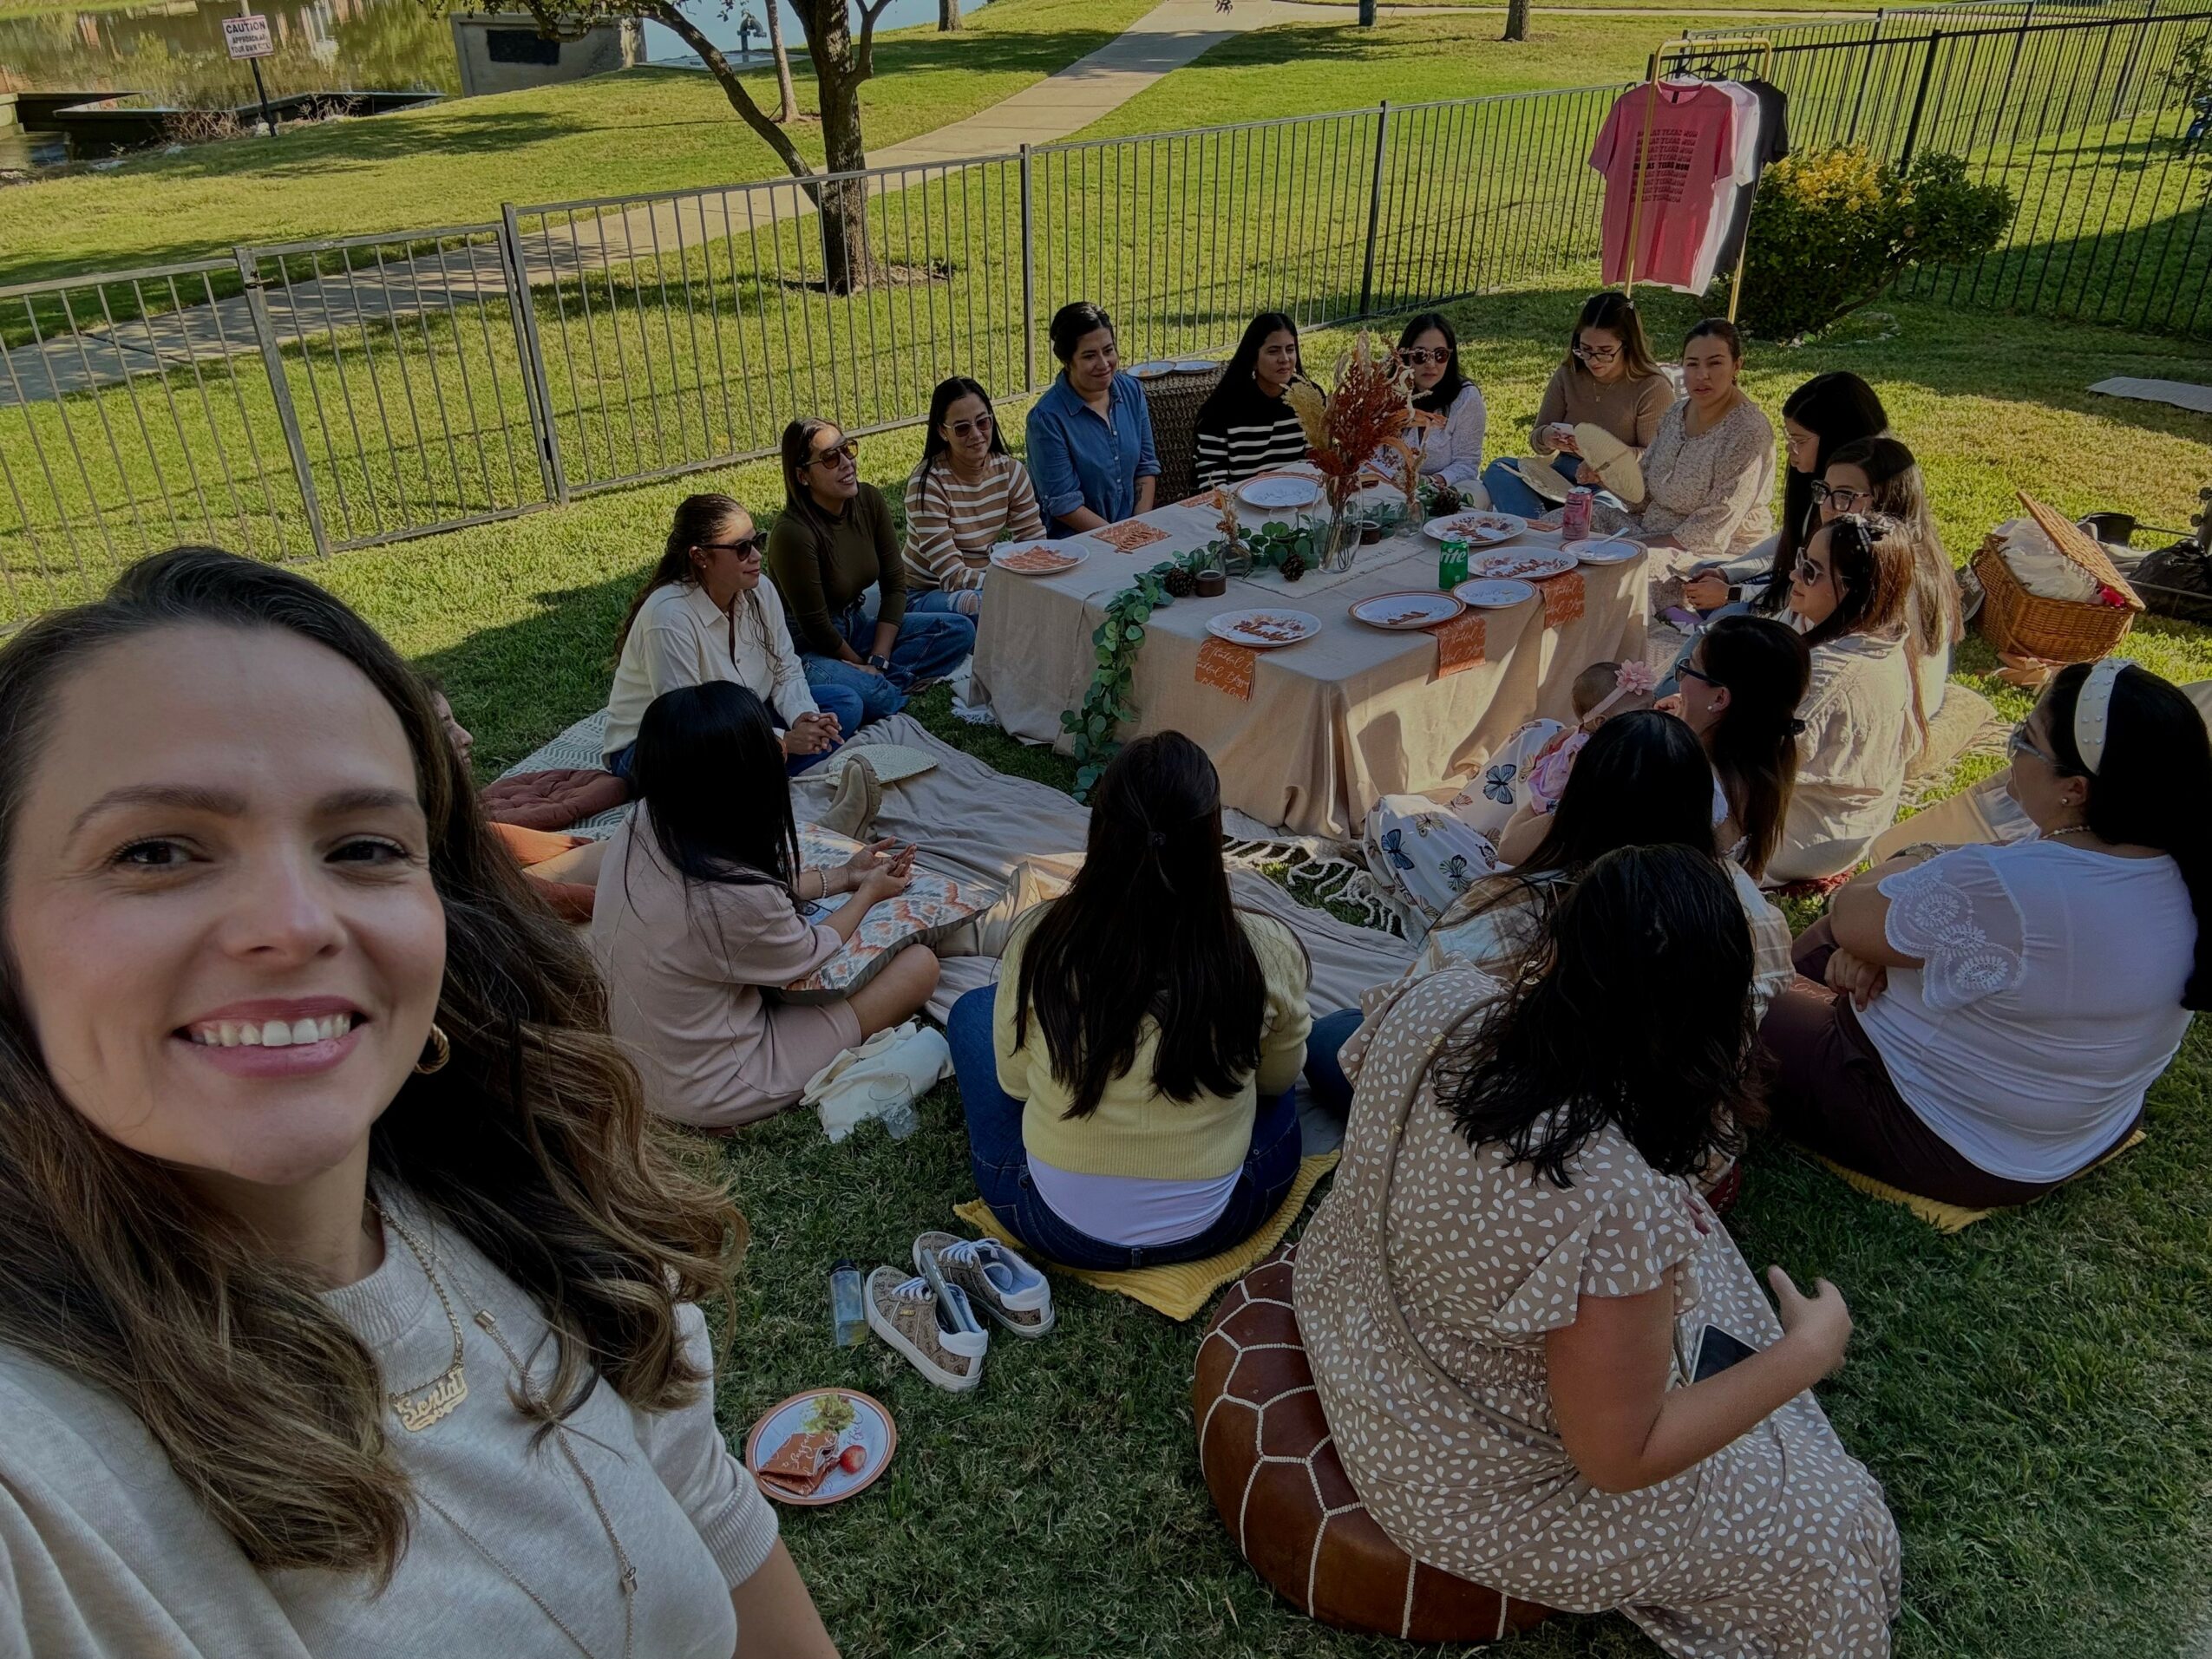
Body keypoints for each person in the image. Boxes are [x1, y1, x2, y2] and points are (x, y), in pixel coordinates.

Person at [0, 546, 839, 1658]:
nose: (295, 924)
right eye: (155, 850)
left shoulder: (546, 1210)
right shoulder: (41, 1476)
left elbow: (715, 1521)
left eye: (363, 845)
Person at [1294, 845, 1900, 1657]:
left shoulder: (1444, 999)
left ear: (1558, 944)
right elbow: (1621, 1457)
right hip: (1455, 1473)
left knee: (1691, 1245)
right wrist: (1807, 1353)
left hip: (1354, 1309)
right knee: (1838, 1529)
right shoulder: (1612, 1201)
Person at [1761, 660, 2209, 1208]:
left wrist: (1918, 856)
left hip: (1948, 1140)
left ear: (2075, 789)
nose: (2014, 749)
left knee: (1729, 985)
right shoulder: (2179, 866)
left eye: (2028, 739)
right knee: (1855, 938)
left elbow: (1853, 906)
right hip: (2078, 1130)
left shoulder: (2011, 887)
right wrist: (1878, 939)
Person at [945, 733, 1346, 1270]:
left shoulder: (1040, 941)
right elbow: (1277, 1085)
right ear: (1211, 840)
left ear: (1100, 833)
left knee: (973, 1011)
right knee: (1277, 1086)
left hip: (1053, 1222)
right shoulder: (1264, 951)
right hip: (1222, 1217)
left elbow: (1016, 1085)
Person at [592, 683, 940, 1129]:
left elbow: (753, 892)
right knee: (920, 966)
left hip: (639, 1056)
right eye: (768, 744)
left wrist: (843, 877)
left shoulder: (645, 819)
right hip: (710, 1085)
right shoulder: (733, 898)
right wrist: (869, 892)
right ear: (743, 782)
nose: (781, 750)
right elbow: (811, 952)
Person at [1410, 712, 1793, 1013]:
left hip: (1525, 1100)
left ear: (1583, 797)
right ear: (1698, 803)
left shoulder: (1523, 912)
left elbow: (1419, 1007)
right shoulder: (1750, 911)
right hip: (1688, 1105)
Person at [607, 491, 861, 776]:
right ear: (700, 556)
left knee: (845, 704)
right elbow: (687, 725)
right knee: (697, 771)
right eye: (742, 548)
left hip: (744, 721)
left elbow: (785, 668)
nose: (756, 555)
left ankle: (752, 773)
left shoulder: (760, 589)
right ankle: (756, 771)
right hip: (661, 745)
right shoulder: (669, 617)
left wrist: (804, 717)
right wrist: (782, 741)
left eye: (757, 542)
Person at [767, 419, 975, 727]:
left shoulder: (868, 500)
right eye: (830, 458)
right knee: (870, 694)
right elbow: (816, 626)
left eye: (847, 450)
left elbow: (894, 584)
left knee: (959, 630)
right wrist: (857, 665)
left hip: (858, 624)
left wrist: (877, 659)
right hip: (810, 649)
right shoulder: (793, 534)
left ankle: (882, 680)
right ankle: (886, 687)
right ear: (802, 476)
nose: (847, 463)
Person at [1768, 514, 1922, 885]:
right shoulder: (1873, 629)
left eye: (1811, 571)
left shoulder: (1829, 676)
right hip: (1829, 816)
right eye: (1801, 559)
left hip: (1803, 838)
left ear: (1854, 590)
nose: (1794, 574)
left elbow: (1752, 761)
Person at [1680, 371, 1888, 617]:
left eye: (1800, 440)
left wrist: (1733, 593)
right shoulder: (1820, 485)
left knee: (1724, 618)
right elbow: (1791, 540)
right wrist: (1728, 574)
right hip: (1794, 584)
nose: (1790, 449)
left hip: (1814, 604)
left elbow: (1817, 590)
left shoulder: (1856, 509)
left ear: (1837, 439)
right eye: (1789, 438)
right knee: (1704, 571)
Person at [1481, 291, 1675, 519]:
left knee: (1603, 511)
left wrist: (1605, 459)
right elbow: (1537, 439)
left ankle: (1544, 526)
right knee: (1500, 469)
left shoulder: (1652, 387)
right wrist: (1547, 436)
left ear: (1627, 346)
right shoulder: (1568, 375)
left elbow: (1653, 457)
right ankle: (1546, 524)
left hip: (1610, 485)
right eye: (1585, 349)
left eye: (1605, 352)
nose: (1592, 360)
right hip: (1560, 477)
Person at [1611, 318, 1775, 562]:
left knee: (1622, 568)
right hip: (1649, 531)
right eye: (1692, 364)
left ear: (1737, 366)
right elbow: (1641, 494)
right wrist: (1607, 475)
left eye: (1715, 363)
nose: (1702, 375)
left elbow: (1712, 531)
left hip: (1708, 556)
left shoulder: (1748, 432)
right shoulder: (1677, 413)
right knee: (1565, 524)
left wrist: (1629, 546)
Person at [1669, 612, 1812, 882]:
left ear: (1720, 697)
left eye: (1689, 668)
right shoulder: (1761, 760)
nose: (1681, 680)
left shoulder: (1687, 778)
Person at [1823, 436, 1960, 718]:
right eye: (1824, 491)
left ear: (1888, 502)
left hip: (1886, 714)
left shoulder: (1881, 570)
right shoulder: (1915, 554)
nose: (1828, 505)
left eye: (1845, 495)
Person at [901, 376, 1046, 620]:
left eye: (983, 422)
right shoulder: (928, 484)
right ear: (942, 431)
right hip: (923, 593)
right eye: (962, 428)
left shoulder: (1010, 471)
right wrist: (1008, 587)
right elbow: (951, 575)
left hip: (981, 581)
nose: (976, 434)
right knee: (984, 606)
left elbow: (1032, 542)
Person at [1488, 659, 1660, 864]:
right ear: (1601, 722)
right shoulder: (1586, 753)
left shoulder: (1614, 747)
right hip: (1552, 803)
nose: (1652, 713)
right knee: (1538, 729)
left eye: (1652, 705)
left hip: (1564, 813)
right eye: (1640, 712)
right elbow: (1577, 790)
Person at [1024, 302, 1161, 536]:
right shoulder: (1046, 419)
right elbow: (1064, 504)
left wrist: (1138, 527)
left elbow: (1145, 467)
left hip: (1134, 533)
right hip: (1076, 546)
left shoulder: (1132, 392)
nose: (1104, 364)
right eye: (1089, 356)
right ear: (1068, 361)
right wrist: (1121, 538)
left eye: (1108, 350)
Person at [1194, 310, 1313, 489]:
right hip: (1238, 510)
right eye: (1273, 351)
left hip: (1299, 499)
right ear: (1253, 359)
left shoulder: (1308, 401)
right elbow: (1210, 486)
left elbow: (1317, 463)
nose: (1285, 359)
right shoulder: (1221, 411)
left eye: (1290, 349)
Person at [1392, 311, 1487, 493]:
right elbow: (1369, 458)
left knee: (1477, 492)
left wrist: (1430, 483)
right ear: (1405, 356)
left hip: (1443, 492)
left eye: (1440, 354)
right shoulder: (1386, 395)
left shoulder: (1466, 398)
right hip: (1387, 490)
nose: (1430, 364)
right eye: (1420, 355)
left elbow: (1467, 464)